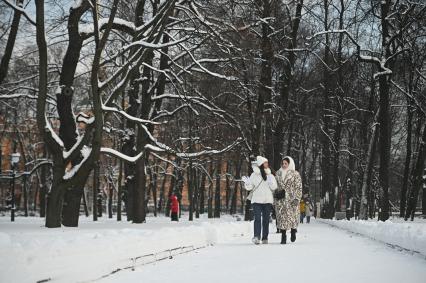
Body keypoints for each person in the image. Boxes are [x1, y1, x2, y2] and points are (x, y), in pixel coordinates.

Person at [242, 156, 278, 245]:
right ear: (261, 164)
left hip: (267, 201)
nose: (267, 164)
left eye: (267, 162)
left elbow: (274, 187)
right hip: (256, 201)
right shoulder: (254, 175)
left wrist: (270, 182)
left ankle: (265, 237)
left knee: (266, 220)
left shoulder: (270, 174)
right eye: (265, 162)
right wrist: (247, 183)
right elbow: (249, 188)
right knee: (257, 219)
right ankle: (257, 237)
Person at [274, 156, 303, 244]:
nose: (284, 165)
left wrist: (297, 198)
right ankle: (283, 236)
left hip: (292, 199)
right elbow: (275, 186)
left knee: (292, 217)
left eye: (286, 163)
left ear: (290, 164)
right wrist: (275, 195)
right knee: (282, 218)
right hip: (281, 200)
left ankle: (293, 231)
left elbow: (299, 187)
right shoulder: (278, 173)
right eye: (282, 163)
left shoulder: (295, 174)